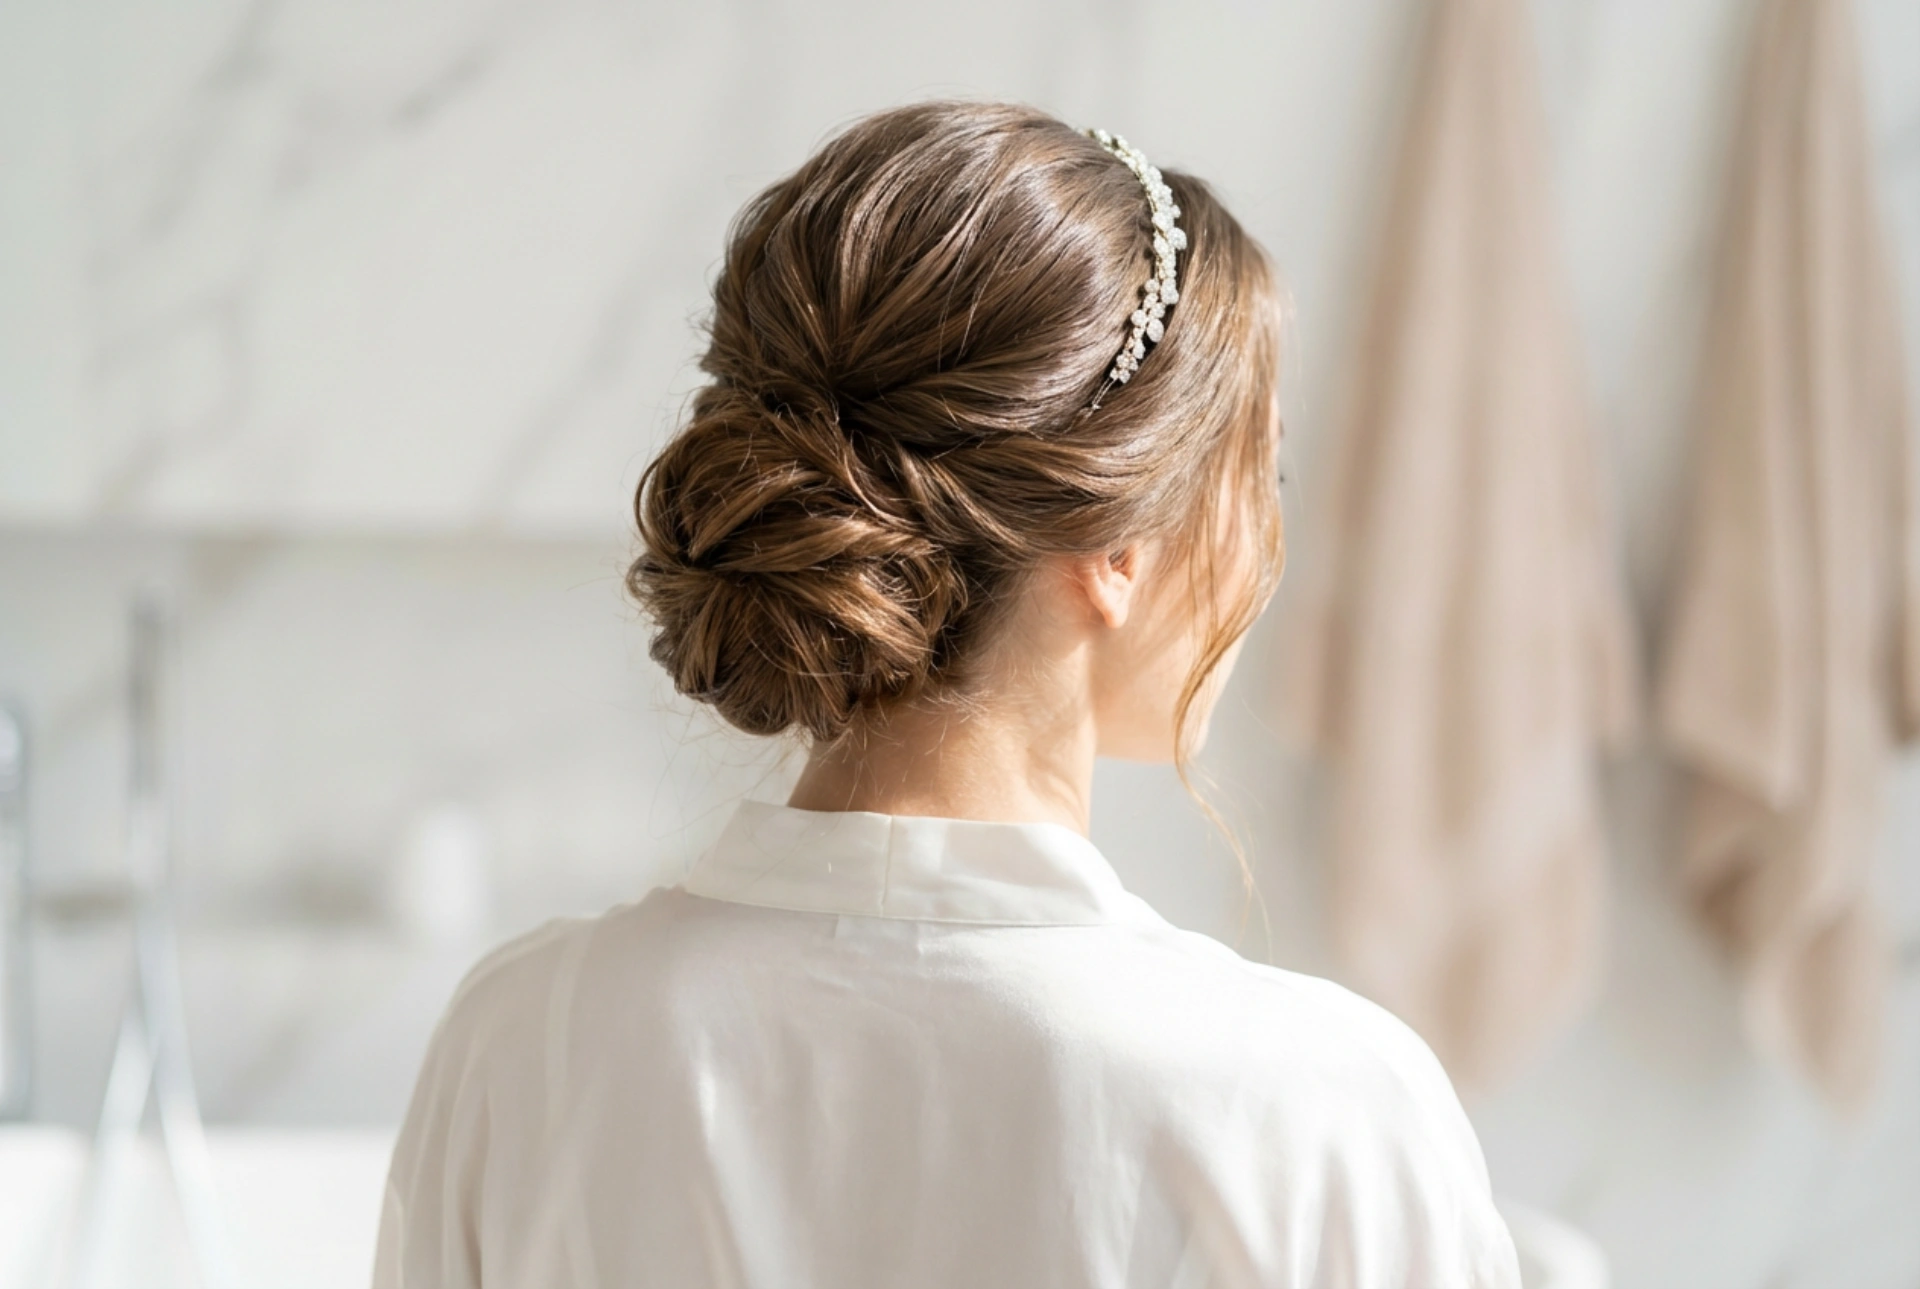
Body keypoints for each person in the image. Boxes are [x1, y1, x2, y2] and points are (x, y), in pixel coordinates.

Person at [371, 98, 1523, 1289]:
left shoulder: (522, 1044)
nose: (1269, 538)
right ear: (1120, 546)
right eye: (1261, 471)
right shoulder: (1317, 1108)